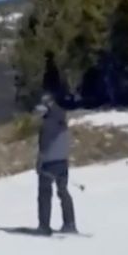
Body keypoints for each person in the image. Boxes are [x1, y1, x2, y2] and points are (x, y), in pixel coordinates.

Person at [34, 52, 77, 236]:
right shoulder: (62, 116)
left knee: (45, 194)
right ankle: (70, 223)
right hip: (63, 160)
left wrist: (40, 160)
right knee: (63, 192)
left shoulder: (48, 121)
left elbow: (45, 142)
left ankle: (44, 226)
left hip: (49, 161)